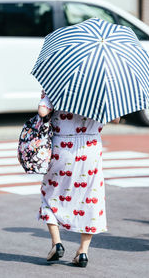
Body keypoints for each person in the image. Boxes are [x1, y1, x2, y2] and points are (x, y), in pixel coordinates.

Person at [37, 89, 120, 267]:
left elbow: (43, 111)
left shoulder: (57, 83)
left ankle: (56, 242)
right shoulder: (102, 89)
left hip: (63, 147)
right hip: (90, 148)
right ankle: (83, 252)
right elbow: (116, 119)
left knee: (50, 193)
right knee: (90, 197)